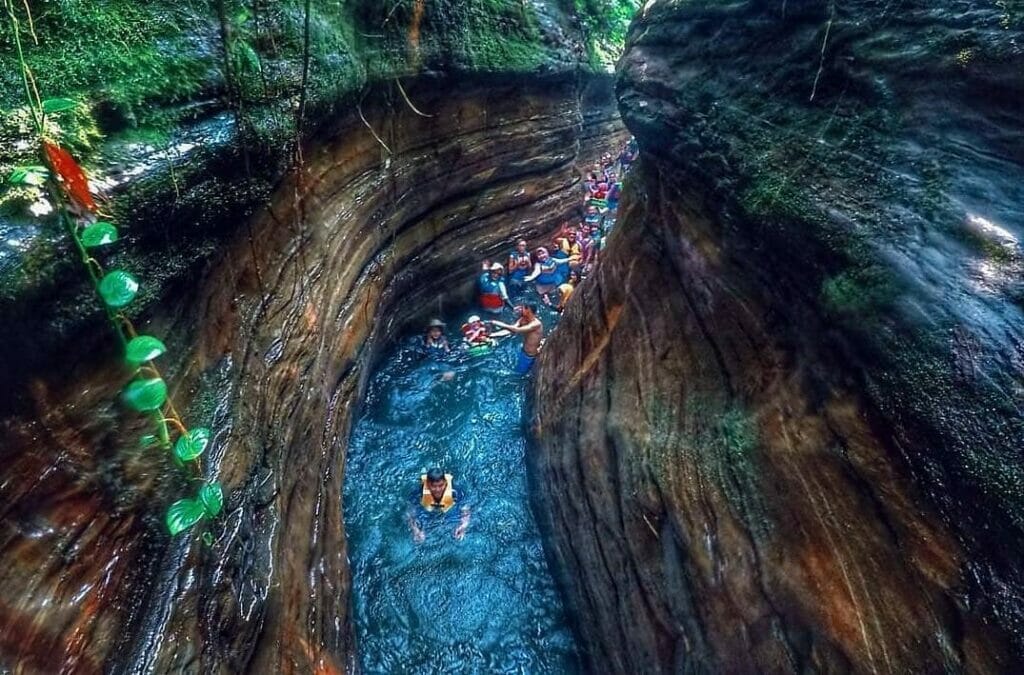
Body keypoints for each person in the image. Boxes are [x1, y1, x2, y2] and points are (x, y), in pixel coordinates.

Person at [408, 467, 471, 541]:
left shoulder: (455, 491)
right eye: (434, 486)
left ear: (445, 483)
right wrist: (416, 530)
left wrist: (463, 526)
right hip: (427, 512)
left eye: (441, 486)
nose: (438, 490)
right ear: (428, 485)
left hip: (449, 512)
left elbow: (465, 509)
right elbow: (410, 514)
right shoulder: (419, 493)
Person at [491, 303, 543, 375]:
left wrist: (499, 324)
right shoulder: (523, 320)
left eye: (523, 308)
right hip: (524, 351)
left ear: (528, 310)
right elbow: (511, 330)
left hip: (529, 356)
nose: (521, 310)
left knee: (518, 374)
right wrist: (493, 335)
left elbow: (517, 330)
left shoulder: (536, 324)